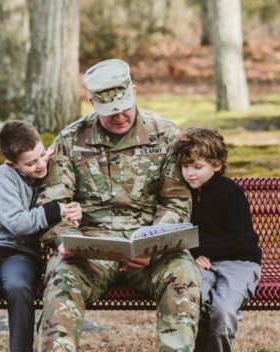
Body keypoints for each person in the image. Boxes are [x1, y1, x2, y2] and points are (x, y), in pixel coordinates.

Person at [34, 58, 202, 352]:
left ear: (135, 91)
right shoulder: (71, 139)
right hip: (90, 249)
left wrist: (154, 244)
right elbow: (53, 202)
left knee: (182, 272)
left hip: (149, 247)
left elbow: (175, 202)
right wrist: (67, 240)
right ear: (91, 101)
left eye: (124, 107)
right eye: (110, 112)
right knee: (61, 276)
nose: (120, 117)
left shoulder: (165, 134)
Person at [0, 120, 82, 352]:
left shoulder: (47, 167)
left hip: (22, 254)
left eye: (42, 155)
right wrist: (57, 210)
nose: (40, 165)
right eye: (31, 163)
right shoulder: (5, 176)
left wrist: (74, 209)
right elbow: (18, 223)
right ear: (11, 163)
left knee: (18, 287)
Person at [171, 128, 262, 352]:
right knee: (195, 302)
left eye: (197, 167)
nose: (190, 173)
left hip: (238, 264)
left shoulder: (230, 192)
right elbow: (177, 233)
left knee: (222, 311)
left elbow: (241, 240)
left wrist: (200, 249)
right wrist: (193, 254)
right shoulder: (182, 195)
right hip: (202, 263)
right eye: (185, 166)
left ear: (217, 165)